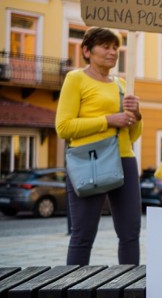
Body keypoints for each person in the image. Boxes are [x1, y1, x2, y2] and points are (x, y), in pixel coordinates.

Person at [55, 27, 142, 265]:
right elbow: (63, 127)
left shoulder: (124, 84)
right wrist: (108, 120)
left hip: (124, 159)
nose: (112, 52)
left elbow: (132, 135)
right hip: (88, 159)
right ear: (87, 50)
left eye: (115, 47)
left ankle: (129, 290)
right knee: (83, 234)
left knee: (130, 234)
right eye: (105, 46)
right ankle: (72, 294)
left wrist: (137, 114)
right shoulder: (76, 79)